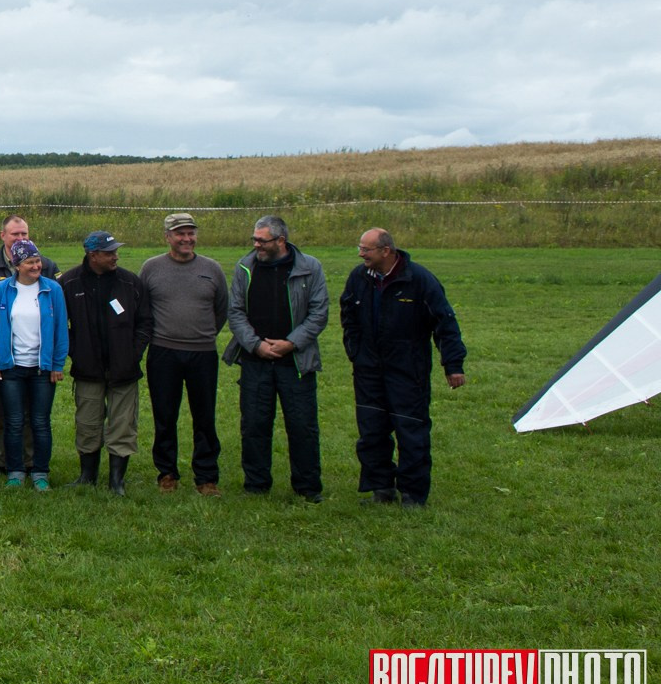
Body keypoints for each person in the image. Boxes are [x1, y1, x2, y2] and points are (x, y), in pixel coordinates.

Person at [342, 228, 467, 507]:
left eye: (366, 249)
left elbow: (445, 323)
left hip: (408, 371)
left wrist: (453, 364)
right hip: (368, 371)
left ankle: (412, 494)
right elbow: (348, 315)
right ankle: (381, 488)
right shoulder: (358, 278)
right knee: (372, 431)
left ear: (386, 251)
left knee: (411, 431)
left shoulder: (419, 280)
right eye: (360, 248)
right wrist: (356, 351)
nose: (360, 254)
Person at [224, 215, 329, 502]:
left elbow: (319, 313)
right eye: (254, 239)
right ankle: (256, 484)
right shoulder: (245, 267)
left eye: (262, 240)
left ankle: (307, 486)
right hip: (255, 361)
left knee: (302, 425)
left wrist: (290, 344)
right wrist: (256, 345)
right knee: (254, 424)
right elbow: (235, 311)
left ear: (280, 241)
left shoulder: (310, 268)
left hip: (295, 362)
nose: (256, 244)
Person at [140, 211, 229, 495]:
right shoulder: (152, 268)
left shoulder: (211, 269)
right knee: (165, 415)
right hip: (163, 352)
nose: (186, 238)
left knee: (204, 416)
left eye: (191, 233)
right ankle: (166, 473)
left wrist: (202, 334)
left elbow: (221, 309)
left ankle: (206, 477)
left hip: (202, 353)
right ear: (168, 237)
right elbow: (144, 309)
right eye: (180, 233)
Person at [59, 231, 153, 494]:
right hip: (88, 370)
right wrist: (75, 350)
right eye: (109, 252)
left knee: (122, 425)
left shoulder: (130, 282)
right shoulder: (69, 283)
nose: (115, 256)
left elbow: (145, 322)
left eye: (115, 251)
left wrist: (134, 353)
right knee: (88, 424)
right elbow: (58, 324)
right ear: (93, 255)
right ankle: (87, 475)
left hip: (124, 370)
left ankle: (116, 481)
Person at [0, 216, 60, 477]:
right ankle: (2, 462)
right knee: (4, 415)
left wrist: (56, 361)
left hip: (39, 362)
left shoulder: (49, 270)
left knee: (37, 417)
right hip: (8, 360)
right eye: (15, 234)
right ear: (3, 236)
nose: (20, 238)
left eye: (24, 233)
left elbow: (56, 318)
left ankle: (32, 462)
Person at [0, 239, 70, 489]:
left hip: (42, 368)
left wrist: (57, 364)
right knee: (13, 421)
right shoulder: (2, 290)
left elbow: (60, 330)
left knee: (40, 421)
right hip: (11, 367)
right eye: (30, 262)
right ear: (17, 265)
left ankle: (40, 472)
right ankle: (15, 471)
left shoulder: (52, 289)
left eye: (37, 260)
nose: (36, 266)